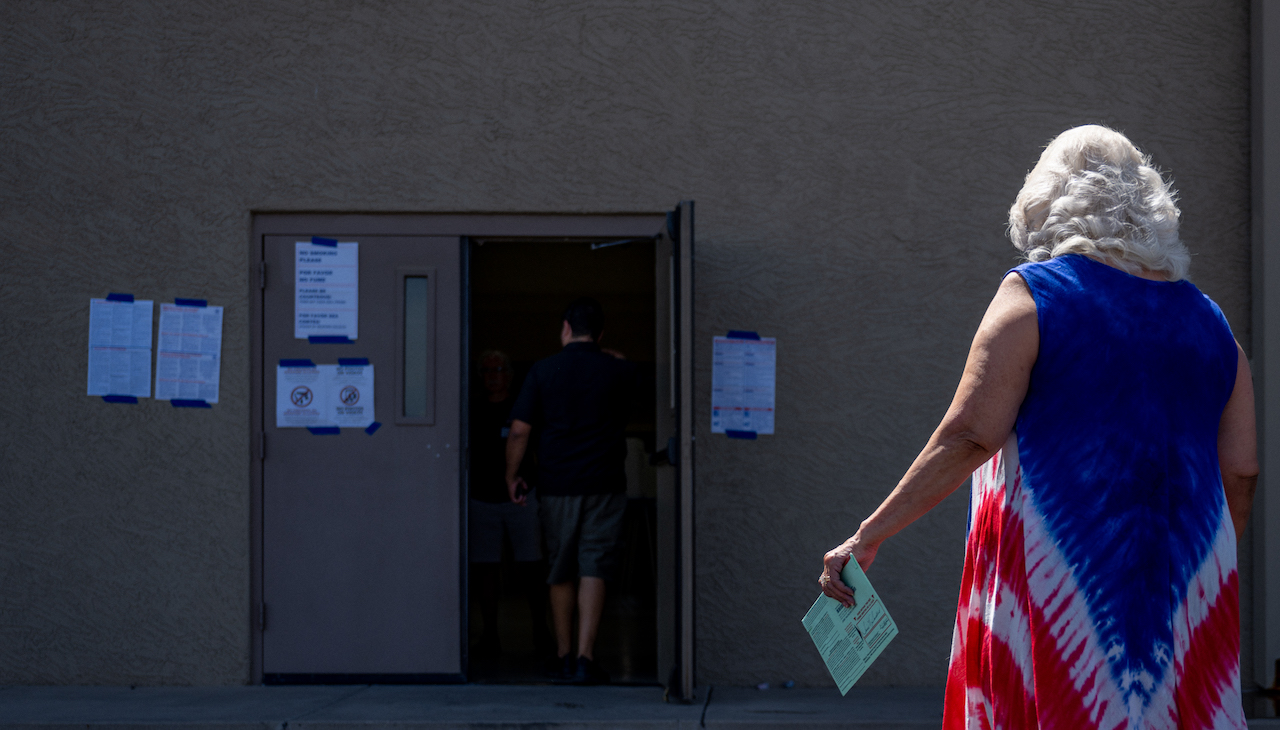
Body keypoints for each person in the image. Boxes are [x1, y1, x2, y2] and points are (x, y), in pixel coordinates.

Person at [818, 125, 1257, 729]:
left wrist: (868, 535)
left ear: (1044, 206)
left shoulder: (1036, 297)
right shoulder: (1211, 323)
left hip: (1061, 587)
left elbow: (970, 435)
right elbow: (1241, 469)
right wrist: (1204, 564)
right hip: (1184, 590)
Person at [506, 297, 637, 685]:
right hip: (605, 483)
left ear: (565, 327)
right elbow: (633, 382)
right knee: (594, 565)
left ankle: (563, 656)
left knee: (560, 567)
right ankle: (585, 658)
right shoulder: (618, 370)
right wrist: (613, 356)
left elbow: (519, 430)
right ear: (600, 333)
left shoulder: (543, 371)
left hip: (557, 484)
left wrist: (511, 474)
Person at [467, 349, 552, 661]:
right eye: (486, 370)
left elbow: (539, 447)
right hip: (480, 498)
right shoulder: (471, 409)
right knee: (485, 568)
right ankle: (490, 635)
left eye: (499, 369)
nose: (492, 375)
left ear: (510, 375)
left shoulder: (524, 406)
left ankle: (541, 630)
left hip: (521, 498)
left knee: (531, 564)